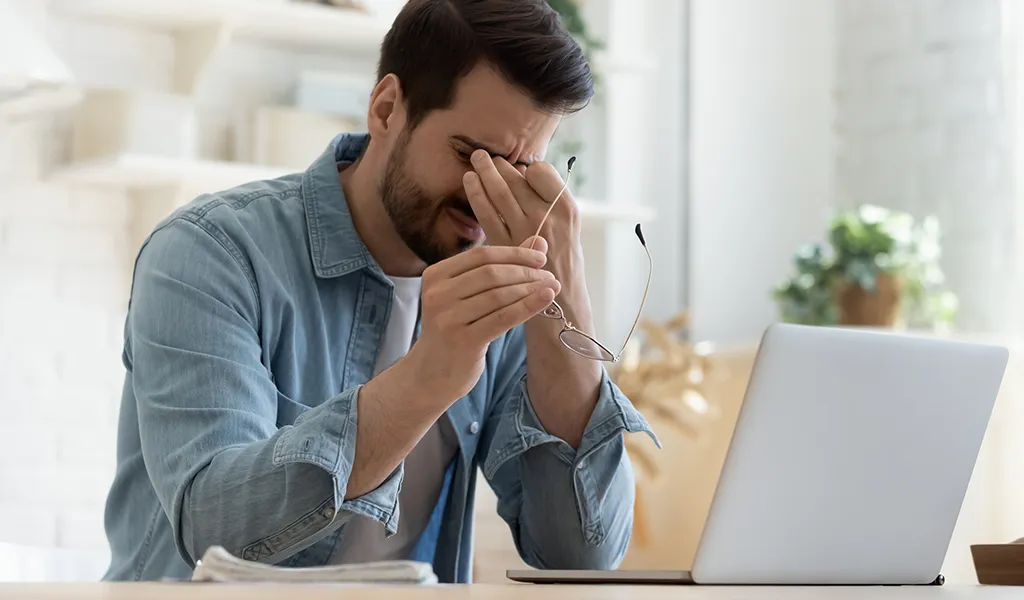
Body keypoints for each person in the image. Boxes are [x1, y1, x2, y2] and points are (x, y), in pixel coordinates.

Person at [102, 0, 655, 583]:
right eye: (473, 156)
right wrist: (431, 374)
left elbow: (581, 556)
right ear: (387, 108)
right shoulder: (210, 253)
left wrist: (566, 304)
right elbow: (214, 529)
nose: (487, 195)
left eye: (522, 171)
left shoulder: (508, 293)